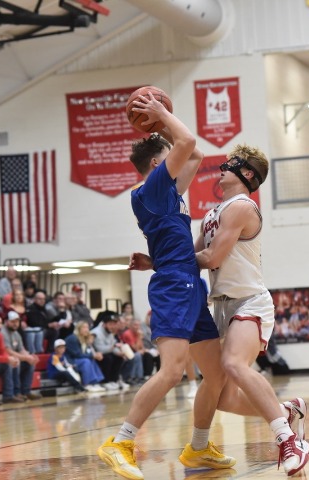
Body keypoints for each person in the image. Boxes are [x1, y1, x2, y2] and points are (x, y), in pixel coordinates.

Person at [98, 94, 236, 480]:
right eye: (168, 152)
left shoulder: (168, 193)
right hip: (175, 286)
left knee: (216, 374)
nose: (176, 154)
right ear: (158, 165)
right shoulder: (154, 188)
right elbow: (188, 143)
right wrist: (161, 115)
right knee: (173, 371)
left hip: (186, 282)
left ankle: (199, 446)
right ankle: (120, 442)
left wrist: (161, 128)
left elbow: (194, 154)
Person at [194, 145, 309, 476]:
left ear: (246, 173)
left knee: (233, 364)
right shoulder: (212, 214)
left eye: (230, 163)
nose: (222, 167)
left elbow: (211, 258)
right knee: (222, 397)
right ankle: (285, 412)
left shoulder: (243, 207)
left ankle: (288, 440)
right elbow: (192, 256)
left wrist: (165, 259)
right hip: (221, 306)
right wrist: (158, 260)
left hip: (249, 300)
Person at [1, 311, 42, 401]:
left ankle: (26, 391)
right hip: (4, 360)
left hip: (13, 358)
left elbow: (21, 349)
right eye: (12, 321)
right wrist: (26, 357)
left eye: (17, 321)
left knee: (30, 364)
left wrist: (30, 357)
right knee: (16, 362)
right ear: (6, 321)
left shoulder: (16, 333)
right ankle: (16, 393)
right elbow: (8, 351)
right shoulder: (3, 332)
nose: (15, 324)